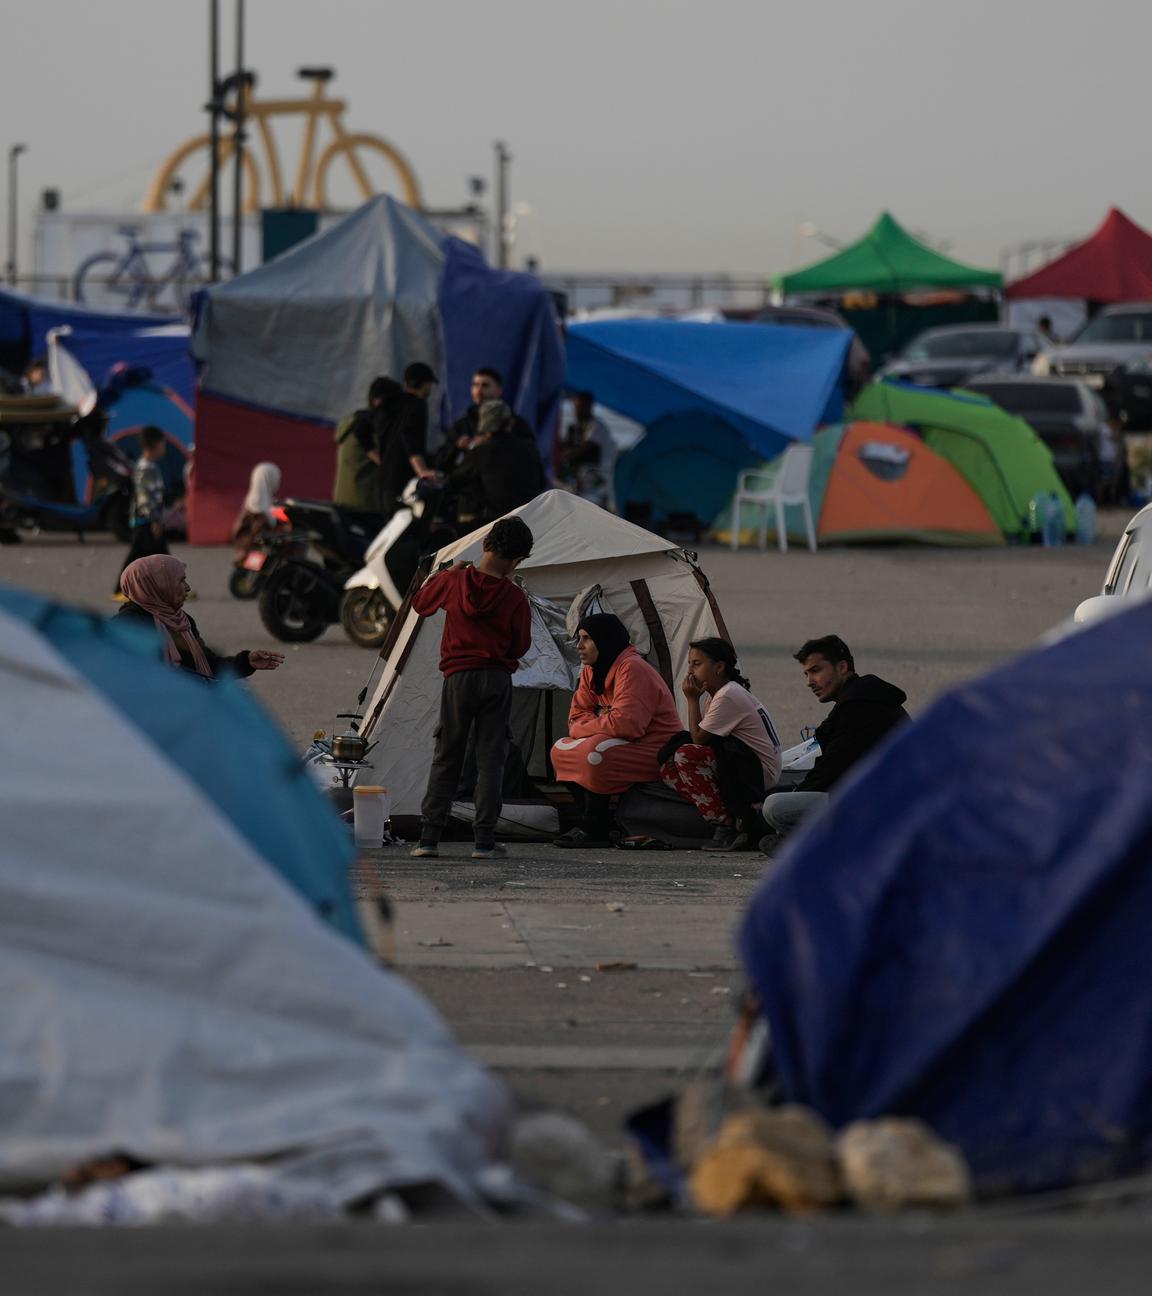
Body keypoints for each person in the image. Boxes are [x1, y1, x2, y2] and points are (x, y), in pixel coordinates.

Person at [409, 516, 535, 861]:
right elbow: (521, 646)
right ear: (516, 561)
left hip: (458, 678)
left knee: (447, 755)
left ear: (485, 546)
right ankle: (483, 841)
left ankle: (429, 838)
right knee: (491, 758)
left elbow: (420, 604)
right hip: (495, 679)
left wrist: (446, 573)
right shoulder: (514, 597)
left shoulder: (455, 581)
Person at [759, 635, 908, 852]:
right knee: (780, 798)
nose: (809, 682)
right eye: (807, 673)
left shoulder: (859, 706)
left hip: (883, 805)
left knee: (774, 807)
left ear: (842, 667)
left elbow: (833, 767)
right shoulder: (864, 697)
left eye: (816, 670)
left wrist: (796, 794)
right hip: (880, 799)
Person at [551, 613, 684, 847]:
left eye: (587, 639)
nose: (579, 646)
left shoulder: (632, 668)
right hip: (621, 741)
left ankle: (595, 824)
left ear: (605, 640)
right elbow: (574, 720)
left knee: (596, 752)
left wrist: (590, 724)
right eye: (579, 639)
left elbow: (627, 725)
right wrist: (601, 722)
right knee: (560, 750)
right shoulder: (592, 671)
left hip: (655, 748)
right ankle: (591, 818)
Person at [660, 638, 782, 851]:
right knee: (669, 768)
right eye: (689, 664)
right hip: (743, 763)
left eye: (697, 664)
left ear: (718, 667)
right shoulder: (717, 695)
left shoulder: (728, 695)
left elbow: (698, 738)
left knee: (686, 755)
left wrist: (691, 699)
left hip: (758, 771)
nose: (690, 671)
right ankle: (727, 814)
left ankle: (724, 825)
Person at [116, 554, 284, 680]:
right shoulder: (126, 626)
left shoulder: (182, 621)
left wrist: (246, 661)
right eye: (180, 581)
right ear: (159, 586)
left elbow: (209, 665)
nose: (188, 588)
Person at [450, 399, 546, 523]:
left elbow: (456, 481)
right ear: (510, 423)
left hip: (493, 524)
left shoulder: (479, 452)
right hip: (529, 520)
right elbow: (541, 482)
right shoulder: (530, 448)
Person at [375, 362, 441, 522]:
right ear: (423, 384)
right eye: (429, 384)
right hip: (401, 483)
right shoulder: (417, 405)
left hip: (382, 482)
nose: (429, 389)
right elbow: (410, 437)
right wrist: (422, 471)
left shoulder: (391, 405)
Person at [333, 376, 402, 523]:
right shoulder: (373, 426)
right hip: (364, 504)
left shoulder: (349, 421)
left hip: (342, 499)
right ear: (380, 401)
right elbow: (389, 459)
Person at [114, 426, 169, 597]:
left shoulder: (149, 466)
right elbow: (145, 498)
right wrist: (154, 520)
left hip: (149, 520)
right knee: (136, 555)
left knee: (162, 557)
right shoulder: (146, 469)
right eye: (163, 443)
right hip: (144, 521)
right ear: (156, 445)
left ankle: (172, 589)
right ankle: (121, 589)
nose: (164, 447)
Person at [559, 390, 615, 509]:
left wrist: (562, 456)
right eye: (576, 406)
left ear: (590, 406)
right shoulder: (573, 428)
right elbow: (565, 447)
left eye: (582, 406)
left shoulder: (597, 426)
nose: (578, 410)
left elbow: (586, 448)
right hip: (578, 481)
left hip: (597, 480)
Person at [231, 461, 281, 562]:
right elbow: (260, 534)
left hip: (247, 551)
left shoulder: (254, 501)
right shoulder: (259, 507)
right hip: (255, 556)